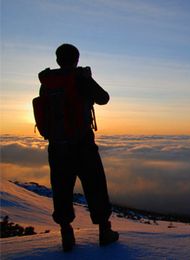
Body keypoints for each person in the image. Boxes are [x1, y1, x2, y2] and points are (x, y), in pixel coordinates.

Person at [38, 43, 118, 252]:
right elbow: (104, 98)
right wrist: (86, 79)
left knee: (61, 188)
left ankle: (66, 234)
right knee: (95, 185)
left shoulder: (48, 81)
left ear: (57, 60)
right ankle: (104, 231)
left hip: (57, 146)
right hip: (83, 145)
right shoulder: (80, 78)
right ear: (77, 59)